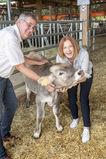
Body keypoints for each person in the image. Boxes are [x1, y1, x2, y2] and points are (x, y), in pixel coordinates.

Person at [0, 13, 55, 159]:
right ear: (19, 22)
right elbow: (21, 66)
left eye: (34, 27)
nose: (31, 29)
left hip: (3, 78)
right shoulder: (10, 37)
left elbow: (20, 57)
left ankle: (4, 134)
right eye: (29, 25)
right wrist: (44, 81)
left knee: (11, 104)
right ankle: (1, 154)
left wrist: (38, 62)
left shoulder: (14, 36)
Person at [56, 36, 93, 143]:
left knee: (83, 98)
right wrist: (62, 85)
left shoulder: (83, 53)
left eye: (70, 46)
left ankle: (86, 128)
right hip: (70, 77)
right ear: (62, 50)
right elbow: (60, 74)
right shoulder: (60, 57)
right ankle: (75, 118)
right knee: (71, 99)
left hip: (85, 74)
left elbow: (84, 74)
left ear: (75, 46)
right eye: (65, 48)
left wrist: (69, 84)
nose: (68, 50)